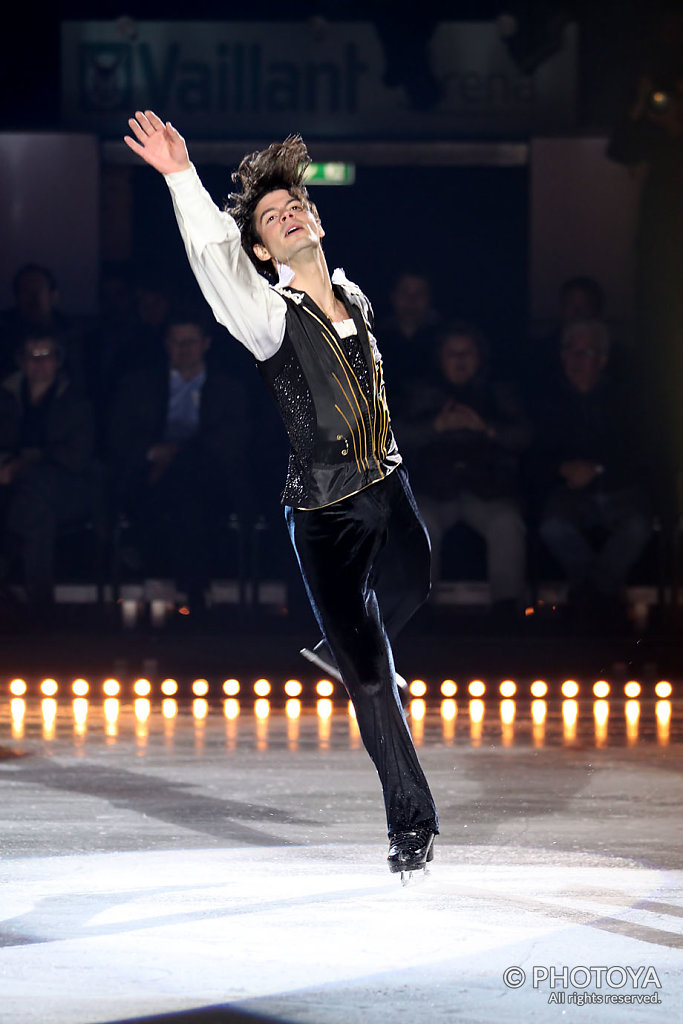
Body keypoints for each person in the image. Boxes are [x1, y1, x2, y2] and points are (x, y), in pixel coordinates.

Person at [124, 109, 438, 878]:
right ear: (262, 250)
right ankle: (410, 824)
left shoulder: (355, 296)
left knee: (417, 579)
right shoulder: (267, 315)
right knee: (372, 675)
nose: (288, 213)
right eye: (270, 216)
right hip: (324, 515)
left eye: (294, 204)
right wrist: (179, 176)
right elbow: (210, 257)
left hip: (388, 490)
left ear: (317, 216)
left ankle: (339, 645)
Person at [108, 308, 251, 614]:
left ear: (206, 344)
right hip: (151, 479)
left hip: (209, 480)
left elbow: (234, 442)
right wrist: (157, 455)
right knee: (186, 496)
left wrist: (174, 455)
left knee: (190, 481)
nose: (184, 349)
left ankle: (164, 569)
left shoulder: (228, 389)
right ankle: (194, 588)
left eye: (191, 341)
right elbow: (120, 437)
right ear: (165, 344)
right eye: (176, 341)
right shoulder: (139, 385)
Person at [397, 323, 530, 622]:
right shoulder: (421, 393)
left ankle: (507, 613)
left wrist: (486, 429)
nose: (459, 360)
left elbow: (525, 435)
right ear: (440, 358)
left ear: (480, 357)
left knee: (507, 522)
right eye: (451, 353)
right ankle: (418, 614)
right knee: (421, 524)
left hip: (488, 490)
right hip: (434, 490)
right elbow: (395, 436)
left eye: (466, 353)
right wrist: (436, 427)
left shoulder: (500, 392)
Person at [533, 319, 652, 624]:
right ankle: (601, 595)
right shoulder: (547, 399)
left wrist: (598, 469)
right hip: (569, 494)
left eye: (585, 352)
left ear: (603, 359)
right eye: (570, 350)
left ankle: (592, 593)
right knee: (553, 526)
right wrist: (563, 468)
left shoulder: (627, 398)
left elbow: (642, 450)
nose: (576, 359)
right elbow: (533, 452)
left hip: (619, 490)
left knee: (637, 526)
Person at [0, 333, 94, 609]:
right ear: (21, 361)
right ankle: (40, 604)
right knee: (34, 509)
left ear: (58, 361)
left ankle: (5, 563)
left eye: (46, 355)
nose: (38, 363)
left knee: (35, 494)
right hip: (13, 488)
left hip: (65, 489)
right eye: (31, 356)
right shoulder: (6, 397)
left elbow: (77, 456)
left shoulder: (76, 401)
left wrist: (24, 463)